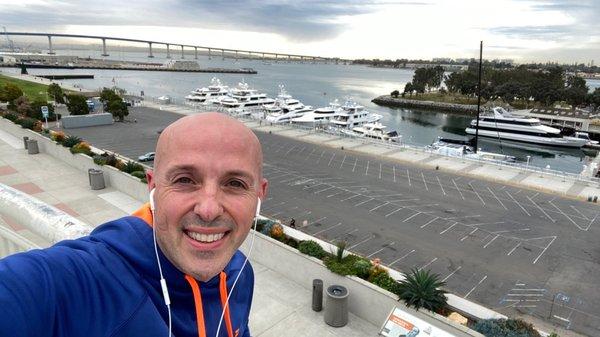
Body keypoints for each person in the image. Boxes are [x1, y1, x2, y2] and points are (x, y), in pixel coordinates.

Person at [0, 112, 268, 337]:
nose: (208, 210)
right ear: (153, 185)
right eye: (185, 180)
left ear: (259, 194)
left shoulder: (240, 273)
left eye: (235, 184)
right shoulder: (88, 279)